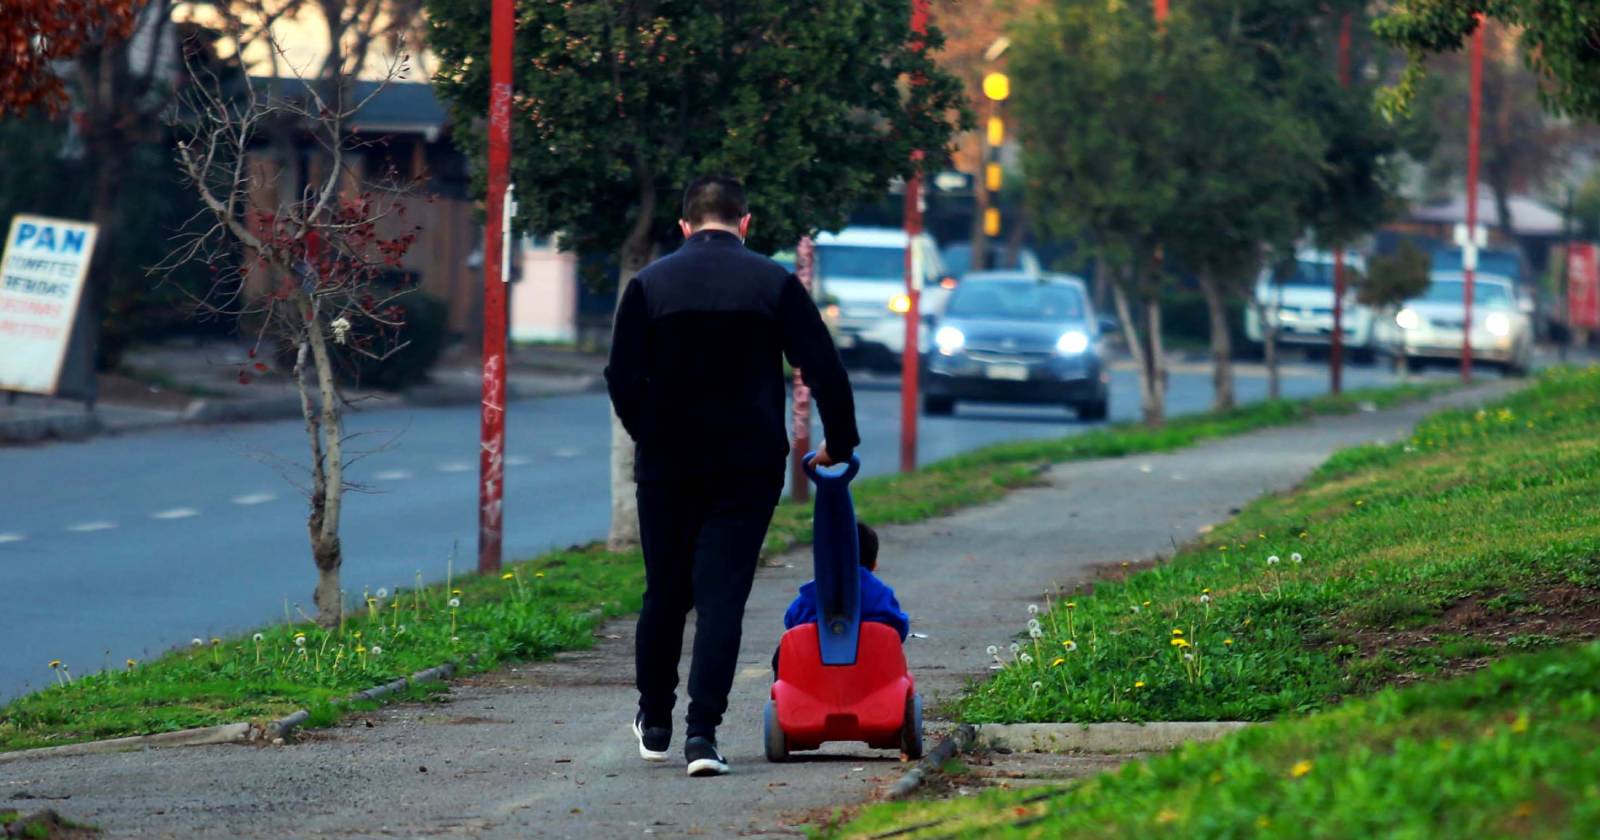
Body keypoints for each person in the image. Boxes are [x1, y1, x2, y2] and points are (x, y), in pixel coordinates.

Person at [606, 175, 859, 778]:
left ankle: (656, 720)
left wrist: (650, 432)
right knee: (722, 597)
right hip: (748, 464)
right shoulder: (774, 283)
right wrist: (840, 442)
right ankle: (702, 737)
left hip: (667, 465)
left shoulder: (649, 284)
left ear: (685, 225)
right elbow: (821, 365)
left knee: (665, 591)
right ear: (745, 223)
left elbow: (621, 374)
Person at [773, 522, 910, 674]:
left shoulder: (814, 592)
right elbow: (899, 628)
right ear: (873, 564)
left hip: (817, 676)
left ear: (822, 562)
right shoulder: (880, 593)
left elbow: (791, 620)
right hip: (871, 674)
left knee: (781, 652)